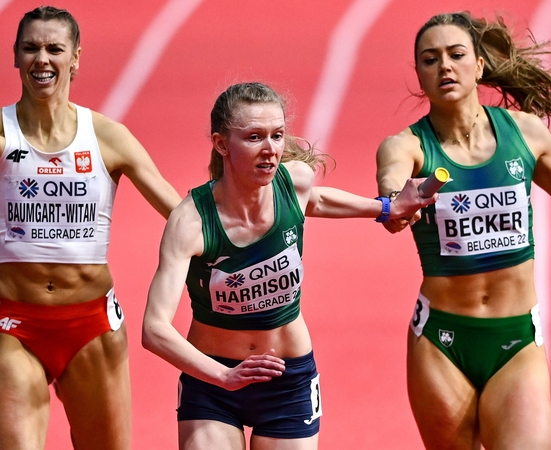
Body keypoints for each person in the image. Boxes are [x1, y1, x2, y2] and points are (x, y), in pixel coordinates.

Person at [374, 11, 551, 449]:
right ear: (418, 73)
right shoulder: (406, 147)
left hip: (516, 338)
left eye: (456, 55)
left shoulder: (524, 133)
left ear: (480, 65)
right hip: (441, 342)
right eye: (429, 60)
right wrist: (396, 202)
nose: (444, 67)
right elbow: (392, 189)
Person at [141, 81, 436, 450]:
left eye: (277, 135)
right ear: (221, 144)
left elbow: (317, 200)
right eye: (253, 137)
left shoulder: (293, 181)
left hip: (288, 380)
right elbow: (154, 329)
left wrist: (386, 208)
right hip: (213, 381)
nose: (270, 150)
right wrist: (224, 375)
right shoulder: (192, 222)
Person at [0, 6, 181, 450]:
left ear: (75, 58)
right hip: (12, 324)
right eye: (31, 48)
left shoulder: (106, 137)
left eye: (54, 49)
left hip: (91, 327)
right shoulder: (4, 133)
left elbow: (181, 215)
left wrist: (240, 242)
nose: (42, 59)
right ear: (15, 57)